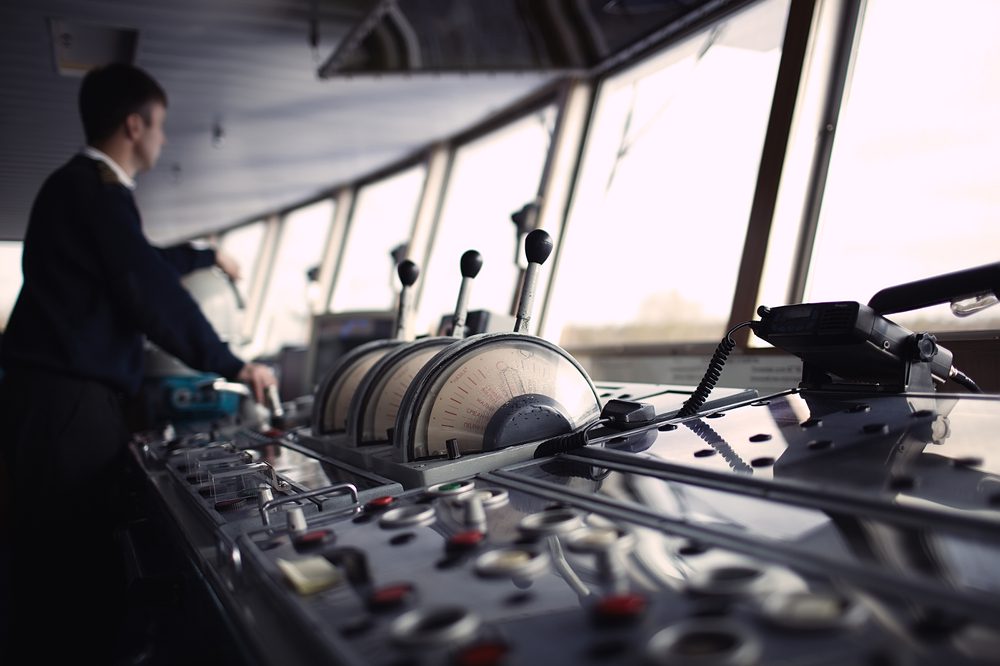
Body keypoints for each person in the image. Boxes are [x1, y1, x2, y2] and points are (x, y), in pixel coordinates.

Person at [0, 62, 276, 662]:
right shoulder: (96, 192)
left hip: (49, 402)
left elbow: (137, 262)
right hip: (66, 411)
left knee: (53, 561)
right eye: (161, 126)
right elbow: (149, 293)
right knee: (66, 567)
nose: (164, 139)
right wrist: (235, 363)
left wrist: (202, 254)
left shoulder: (77, 190)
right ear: (134, 124)